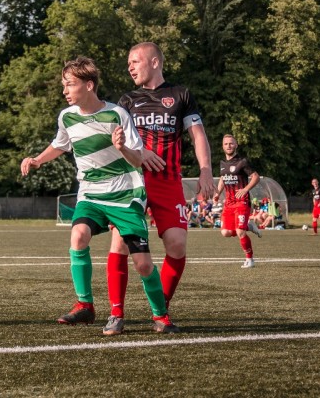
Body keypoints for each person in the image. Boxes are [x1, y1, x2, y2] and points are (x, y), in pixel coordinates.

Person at [21, 56, 181, 335]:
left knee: (143, 265)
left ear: (89, 85)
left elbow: (137, 159)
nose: (65, 91)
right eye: (64, 85)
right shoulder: (66, 117)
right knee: (78, 236)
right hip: (91, 194)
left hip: (126, 195)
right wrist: (37, 160)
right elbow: (60, 145)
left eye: (70, 84)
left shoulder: (117, 114)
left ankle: (161, 317)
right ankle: (85, 305)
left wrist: (122, 148)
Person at [103, 43, 214, 335]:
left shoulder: (181, 95)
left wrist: (205, 170)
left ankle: (159, 308)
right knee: (120, 243)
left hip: (168, 182)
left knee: (177, 245)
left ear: (154, 62)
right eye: (128, 62)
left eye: (135, 61)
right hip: (132, 183)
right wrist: (139, 152)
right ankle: (116, 313)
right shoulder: (127, 100)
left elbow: (198, 135)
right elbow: (116, 143)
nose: (130, 66)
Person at [215, 134, 261, 268]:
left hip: (242, 202)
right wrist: (217, 193)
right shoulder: (222, 163)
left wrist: (246, 189)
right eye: (226, 144)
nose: (228, 146)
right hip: (229, 203)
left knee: (240, 232)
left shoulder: (242, 162)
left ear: (236, 145)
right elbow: (222, 179)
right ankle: (248, 226)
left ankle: (250, 260)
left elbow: (256, 177)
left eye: (231, 143)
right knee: (225, 233)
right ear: (222, 146)